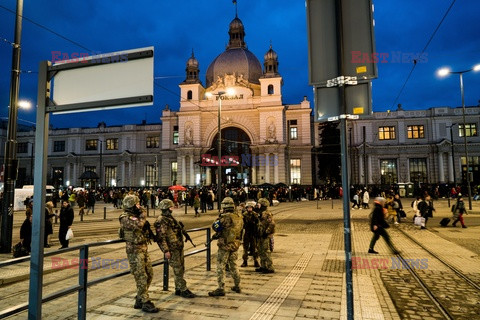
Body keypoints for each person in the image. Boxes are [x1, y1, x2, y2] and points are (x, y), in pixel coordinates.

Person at [119, 194, 159, 313]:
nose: (139, 205)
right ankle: (145, 302)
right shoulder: (124, 217)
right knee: (141, 276)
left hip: (143, 248)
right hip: (134, 251)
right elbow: (139, 225)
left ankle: (140, 298)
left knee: (149, 274)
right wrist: (143, 214)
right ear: (131, 205)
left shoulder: (136, 215)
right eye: (137, 204)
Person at [154, 199, 196, 298]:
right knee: (177, 269)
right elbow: (161, 237)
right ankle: (183, 289)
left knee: (181, 268)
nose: (172, 208)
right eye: (170, 207)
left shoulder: (170, 218)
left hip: (177, 247)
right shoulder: (162, 220)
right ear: (166, 208)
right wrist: (166, 250)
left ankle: (178, 288)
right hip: (172, 248)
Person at [209, 197, 243, 297]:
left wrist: (219, 218)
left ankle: (221, 288)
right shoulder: (239, 216)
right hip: (235, 244)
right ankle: (237, 285)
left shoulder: (224, 217)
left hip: (225, 245)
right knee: (233, 265)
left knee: (220, 265)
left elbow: (215, 227)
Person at [255, 198, 275, 274]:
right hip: (260, 235)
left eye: (259, 204)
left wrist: (266, 232)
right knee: (260, 251)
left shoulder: (267, 214)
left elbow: (272, 224)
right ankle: (263, 266)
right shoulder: (260, 213)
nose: (257, 205)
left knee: (266, 251)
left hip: (265, 236)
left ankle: (270, 267)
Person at [241, 201, 260, 268]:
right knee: (245, 248)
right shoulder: (244, 215)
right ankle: (245, 261)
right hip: (247, 233)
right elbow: (241, 224)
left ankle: (256, 260)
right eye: (248, 208)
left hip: (253, 233)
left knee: (254, 248)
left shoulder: (255, 214)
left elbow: (258, 224)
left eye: (250, 208)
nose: (249, 209)